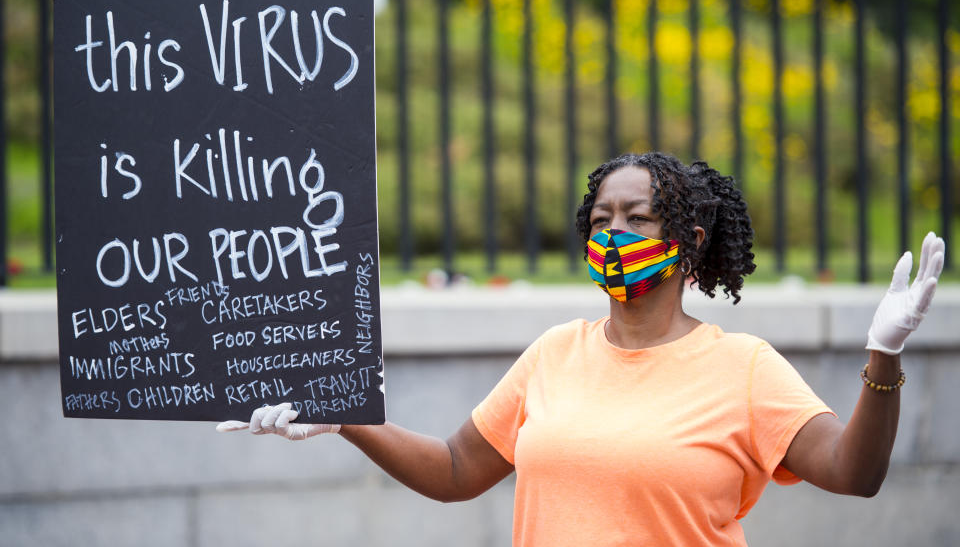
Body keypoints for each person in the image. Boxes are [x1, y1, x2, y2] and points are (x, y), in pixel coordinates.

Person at [217, 152, 946, 547]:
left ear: (689, 237)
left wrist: (883, 355)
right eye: (602, 218)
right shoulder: (553, 353)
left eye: (635, 217)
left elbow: (855, 473)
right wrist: (348, 418)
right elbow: (454, 469)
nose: (613, 234)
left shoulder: (744, 367)